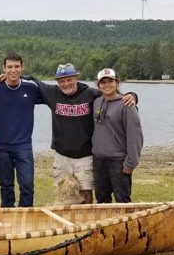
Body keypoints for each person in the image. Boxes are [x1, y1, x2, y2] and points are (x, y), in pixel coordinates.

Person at [25, 63, 137, 204]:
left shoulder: (92, 94)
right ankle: (69, 223)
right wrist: (9, 79)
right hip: (61, 155)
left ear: (76, 78)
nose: (66, 83)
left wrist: (132, 95)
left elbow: (112, 95)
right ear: (57, 82)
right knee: (64, 191)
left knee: (86, 192)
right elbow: (32, 82)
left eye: (70, 79)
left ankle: (88, 222)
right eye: (62, 81)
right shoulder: (51, 93)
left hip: (86, 155)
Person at [0, 53, 43, 208]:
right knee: (6, 185)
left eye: (16, 67)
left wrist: (32, 78)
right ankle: (8, 213)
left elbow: (52, 95)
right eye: (9, 67)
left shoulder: (31, 89)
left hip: (24, 145)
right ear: (4, 68)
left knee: (27, 185)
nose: (13, 70)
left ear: (22, 68)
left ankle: (26, 213)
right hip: (1, 145)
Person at [91, 68, 143, 203]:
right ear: (98, 85)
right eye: (103, 82)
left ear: (117, 83)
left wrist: (131, 161)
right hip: (99, 161)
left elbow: (135, 134)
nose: (107, 85)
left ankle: (126, 224)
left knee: (122, 199)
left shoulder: (127, 104)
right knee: (101, 200)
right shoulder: (96, 102)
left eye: (110, 81)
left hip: (119, 162)